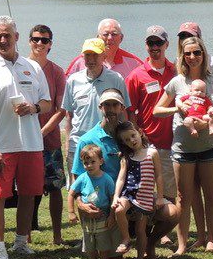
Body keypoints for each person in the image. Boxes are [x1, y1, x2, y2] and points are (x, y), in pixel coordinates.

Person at [0, 16, 52, 259]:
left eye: (7, 35)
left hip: (31, 143)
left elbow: (48, 103)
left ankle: (20, 242)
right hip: (2, 146)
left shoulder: (32, 67)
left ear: (17, 37)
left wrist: (34, 107)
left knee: (29, 194)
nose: (3, 40)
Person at [154, 35, 213, 255]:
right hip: (182, 149)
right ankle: (181, 246)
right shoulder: (177, 82)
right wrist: (177, 110)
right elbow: (157, 111)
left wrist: (212, 122)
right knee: (183, 198)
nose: (192, 57)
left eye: (197, 52)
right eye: (187, 53)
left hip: (210, 147)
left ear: (203, 54)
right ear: (182, 56)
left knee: (212, 197)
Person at [111, 121, 175, 259]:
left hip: (145, 196)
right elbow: (121, 178)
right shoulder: (127, 157)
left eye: (133, 136)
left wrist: (159, 197)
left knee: (141, 230)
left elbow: (158, 175)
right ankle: (126, 238)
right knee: (119, 209)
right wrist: (116, 196)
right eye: (126, 140)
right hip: (128, 192)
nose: (131, 141)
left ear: (140, 132)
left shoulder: (152, 153)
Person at [61, 38, 128, 178]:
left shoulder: (116, 79)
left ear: (104, 56)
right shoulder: (73, 81)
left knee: (110, 187)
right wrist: (68, 145)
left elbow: (123, 113)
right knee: (79, 189)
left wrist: (124, 140)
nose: (91, 59)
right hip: (78, 145)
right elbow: (69, 115)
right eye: (87, 55)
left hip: (107, 145)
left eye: (95, 55)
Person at [126, 25, 177, 204]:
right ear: (146, 45)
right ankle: (146, 231)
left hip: (172, 142)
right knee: (144, 192)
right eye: (151, 42)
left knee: (171, 191)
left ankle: (168, 230)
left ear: (167, 44)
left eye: (159, 42)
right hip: (147, 143)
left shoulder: (176, 71)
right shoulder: (136, 75)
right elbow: (130, 111)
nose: (155, 47)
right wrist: (138, 136)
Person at [28, 23, 67, 246]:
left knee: (55, 188)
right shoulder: (20, 67)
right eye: (36, 39)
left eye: (44, 40)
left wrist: (42, 132)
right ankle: (26, 234)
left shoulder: (56, 72)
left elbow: (61, 110)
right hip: (24, 142)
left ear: (50, 44)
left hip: (50, 140)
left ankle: (57, 235)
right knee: (28, 189)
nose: (40, 43)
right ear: (29, 41)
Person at [69, 142, 116, 259]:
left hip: (103, 215)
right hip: (86, 217)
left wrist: (112, 216)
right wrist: (71, 212)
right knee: (89, 243)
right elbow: (71, 193)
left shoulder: (107, 179)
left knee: (103, 242)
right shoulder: (82, 178)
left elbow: (113, 198)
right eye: (85, 163)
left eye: (92, 162)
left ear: (101, 161)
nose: (89, 165)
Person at [64, 18, 143, 80]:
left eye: (114, 34)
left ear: (121, 38)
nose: (109, 38)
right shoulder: (80, 61)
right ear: (98, 37)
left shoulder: (134, 63)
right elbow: (65, 88)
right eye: (105, 34)